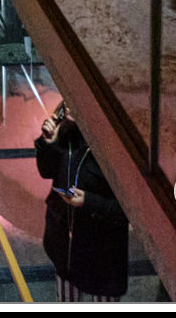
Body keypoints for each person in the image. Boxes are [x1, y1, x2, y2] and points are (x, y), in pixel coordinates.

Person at [35, 101, 129, 299]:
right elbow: (47, 171)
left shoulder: (114, 146)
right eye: (67, 100)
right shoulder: (67, 132)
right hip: (66, 247)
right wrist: (48, 143)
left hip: (101, 254)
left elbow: (127, 210)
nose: (69, 107)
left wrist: (88, 201)